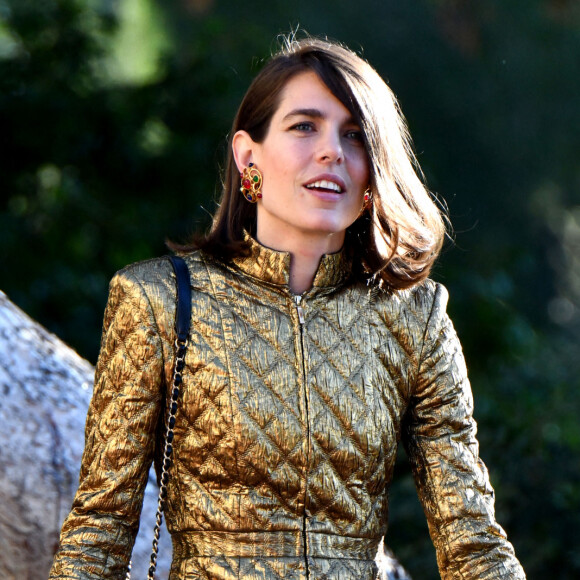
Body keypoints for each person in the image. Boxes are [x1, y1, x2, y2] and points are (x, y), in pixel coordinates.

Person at [49, 36, 526, 579]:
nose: (332, 151)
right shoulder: (159, 300)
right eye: (305, 126)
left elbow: (473, 540)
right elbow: (100, 530)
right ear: (248, 156)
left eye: (355, 136)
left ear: (374, 169)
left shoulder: (416, 317)